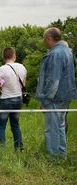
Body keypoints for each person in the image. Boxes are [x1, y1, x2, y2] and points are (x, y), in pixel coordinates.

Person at [36, 27, 77, 157]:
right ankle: (61, 154)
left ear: (49, 38)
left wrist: (45, 99)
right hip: (65, 96)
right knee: (60, 126)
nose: (43, 42)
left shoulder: (55, 54)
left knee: (51, 129)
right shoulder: (67, 51)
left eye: (44, 39)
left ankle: (53, 157)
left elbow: (53, 80)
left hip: (55, 98)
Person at [0, 47, 27, 151]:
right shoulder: (22, 67)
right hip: (18, 99)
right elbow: (23, 84)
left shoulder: (1, 69)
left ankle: (2, 149)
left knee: (1, 125)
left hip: (6, 99)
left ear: (3, 57)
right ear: (14, 55)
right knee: (15, 125)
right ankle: (19, 148)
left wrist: (0, 91)